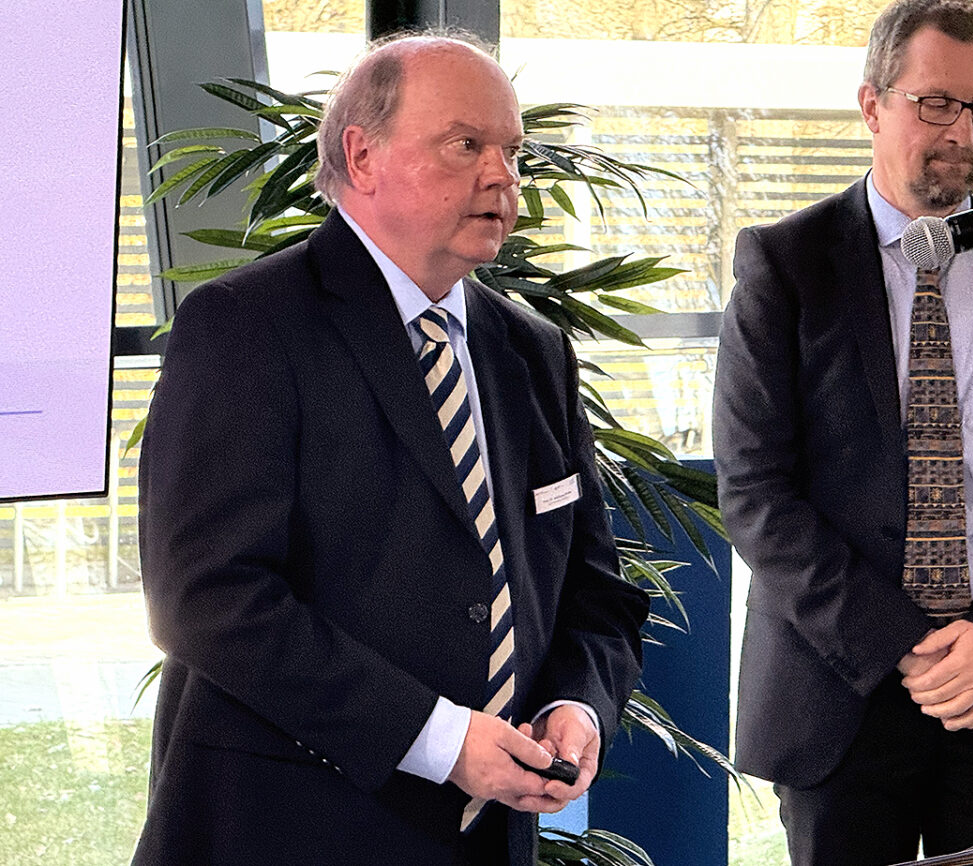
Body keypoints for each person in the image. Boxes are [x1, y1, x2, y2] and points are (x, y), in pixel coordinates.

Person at [132, 34, 649, 866]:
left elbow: (594, 589)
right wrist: (439, 740)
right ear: (361, 156)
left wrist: (577, 705)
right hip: (287, 834)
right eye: (465, 144)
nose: (502, 176)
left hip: (489, 838)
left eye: (512, 151)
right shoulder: (247, 326)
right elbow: (209, 598)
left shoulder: (533, 349)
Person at [713, 0, 973, 863]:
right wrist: (906, 646)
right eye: (936, 104)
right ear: (873, 104)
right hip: (843, 693)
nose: (962, 133)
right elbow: (754, 492)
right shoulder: (787, 264)